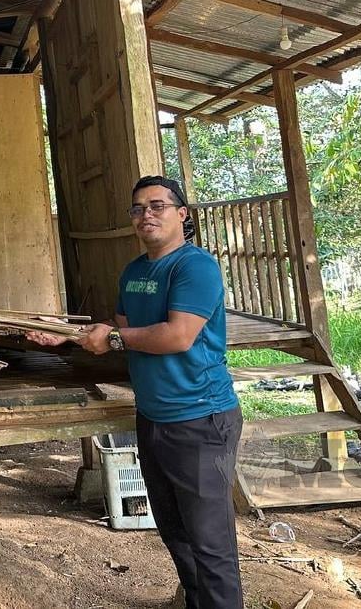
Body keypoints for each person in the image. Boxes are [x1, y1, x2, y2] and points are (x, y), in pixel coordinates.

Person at [29, 175, 243, 609]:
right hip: (153, 418)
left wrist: (112, 339)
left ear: (182, 214)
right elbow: (126, 331)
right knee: (175, 530)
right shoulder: (134, 272)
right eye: (138, 207)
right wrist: (70, 336)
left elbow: (177, 335)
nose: (147, 214)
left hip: (200, 418)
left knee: (210, 541)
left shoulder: (194, 266)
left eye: (158, 205)